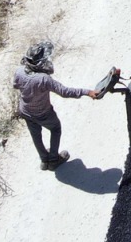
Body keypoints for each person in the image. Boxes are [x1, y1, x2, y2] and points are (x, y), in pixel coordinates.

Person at [13, 41, 103, 171]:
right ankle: (54, 159)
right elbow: (64, 92)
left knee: (35, 135)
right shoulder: (43, 79)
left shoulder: (19, 71)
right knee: (55, 129)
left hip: (25, 111)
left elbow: (15, 85)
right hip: (43, 113)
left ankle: (44, 160)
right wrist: (87, 92)